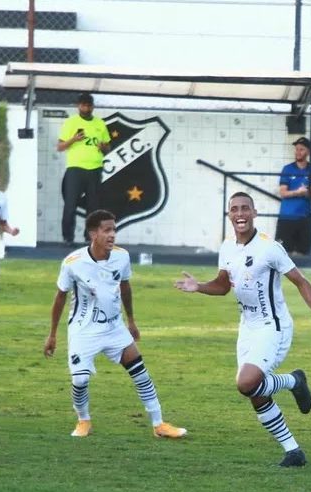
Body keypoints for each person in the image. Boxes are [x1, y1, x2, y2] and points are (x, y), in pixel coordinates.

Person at [175, 191, 311, 467]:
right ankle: (293, 451)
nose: (240, 214)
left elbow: (301, 282)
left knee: (246, 382)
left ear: (254, 213)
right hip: (247, 327)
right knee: (255, 393)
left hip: (274, 327)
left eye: (245, 209)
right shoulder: (227, 248)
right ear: (229, 215)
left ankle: (294, 381)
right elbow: (223, 286)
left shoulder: (269, 247)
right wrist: (198, 286)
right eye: (234, 209)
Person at [44, 209, 187, 439]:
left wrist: (131, 320)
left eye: (114, 230)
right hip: (84, 330)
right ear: (93, 234)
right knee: (80, 380)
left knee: (140, 372)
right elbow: (60, 297)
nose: (112, 235)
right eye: (107, 230)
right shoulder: (73, 263)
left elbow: (125, 287)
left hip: (114, 327)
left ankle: (159, 424)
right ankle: (83, 420)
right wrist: (52, 335)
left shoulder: (122, 257)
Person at [58, 93, 110, 246]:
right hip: (75, 168)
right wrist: (74, 139)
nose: (85, 108)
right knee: (70, 204)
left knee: (93, 207)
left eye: (88, 105)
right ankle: (68, 237)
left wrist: (103, 147)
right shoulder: (71, 122)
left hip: (95, 168)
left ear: (92, 106)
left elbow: (108, 147)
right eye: (83, 105)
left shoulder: (100, 124)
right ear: (78, 106)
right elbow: (60, 147)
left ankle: (90, 237)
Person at [275, 137, 311, 256]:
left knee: (303, 254)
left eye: (302, 149)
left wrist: (305, 192)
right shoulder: (287, 169)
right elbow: (283, 193)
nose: (298, 152)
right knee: (281, 254)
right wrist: (299, 192)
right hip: (286, 217)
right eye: (297, 149)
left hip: (304, 218)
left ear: (308, 152)